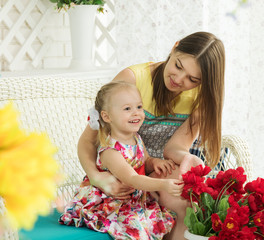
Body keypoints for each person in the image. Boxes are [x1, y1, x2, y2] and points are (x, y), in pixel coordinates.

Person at [78, 31, 225, 239]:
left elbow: (173, 149)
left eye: (192, 79)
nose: (178, 79)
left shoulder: (200, 97)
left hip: (156, 165)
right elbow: (89, 140)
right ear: (174, 47)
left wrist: (186, 157)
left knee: (185, 199)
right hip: (122, 170)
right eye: (178, 66)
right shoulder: (132, 79)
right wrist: (96, 177)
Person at [59, 81, 184, 239]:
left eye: (139, 107)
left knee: (165, 219)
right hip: (113, 202)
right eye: (127, 109)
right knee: (138, 232)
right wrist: (163, 184)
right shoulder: (110, 151)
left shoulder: (136, 138)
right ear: (106, 116)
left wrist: (154, 162)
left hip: (134, 197)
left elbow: (145, 160)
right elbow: (132, 178)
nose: (136, 113)